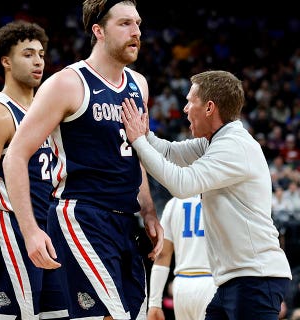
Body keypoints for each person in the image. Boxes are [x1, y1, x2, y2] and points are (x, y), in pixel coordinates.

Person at [2, 1, 164, 319]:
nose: (137, 32)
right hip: (82, 215)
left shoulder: (139, 84)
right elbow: (15, 156)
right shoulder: (67, 83)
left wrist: (148, 210)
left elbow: (136, 154)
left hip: (126, 220)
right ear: (98, 31)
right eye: (125, 24)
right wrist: (30, 230)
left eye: (139, 24)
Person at [121, 70, 292, 319]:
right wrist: (144, 133)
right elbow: (169, 152)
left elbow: (182, 184)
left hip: (256, 277)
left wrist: (138, 141)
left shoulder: (233, 146)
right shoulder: (214, 141)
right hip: (232, 281)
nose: (185, 109)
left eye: (191, 101)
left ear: (210, 107)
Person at [0, 21, 68, 319]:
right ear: (6, 62)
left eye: (40, 54)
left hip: (51, 230)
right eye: (27, 54)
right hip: (13, 231)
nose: (38, 61)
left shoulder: (49, 109)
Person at [148, 195, 216, 320]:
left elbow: (162, 255)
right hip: (212, 282)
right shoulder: (222, 196)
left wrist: (154, 303)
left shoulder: (173, 203)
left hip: (182, 285)